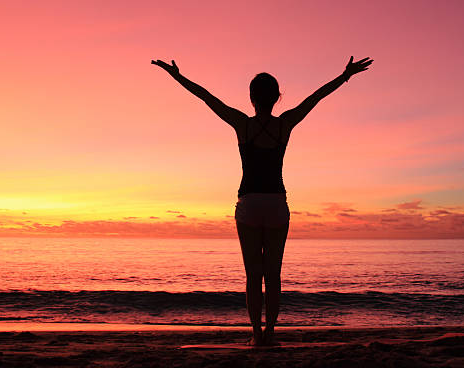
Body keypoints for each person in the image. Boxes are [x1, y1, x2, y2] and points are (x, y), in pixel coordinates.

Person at [151, 55, 373, 345]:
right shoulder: (284, 125)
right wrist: (345, 75)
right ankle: (270, 333)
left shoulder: (242, 125)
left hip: (249, 204)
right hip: (276, 204)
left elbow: (207, 97)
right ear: (277, 97)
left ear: (251, 97)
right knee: (273, 274)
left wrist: (177, 76)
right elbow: (316, 97)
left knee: (253, 275)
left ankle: (256, 336)